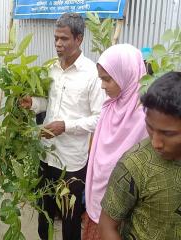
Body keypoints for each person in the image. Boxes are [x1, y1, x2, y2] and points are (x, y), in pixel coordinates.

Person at [20, 13, 105, 240]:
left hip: (72, 161)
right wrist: (34, 104)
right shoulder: (51, 69)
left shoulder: (92, 74)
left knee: (69, 218)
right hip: (46, 154)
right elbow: (49, 103)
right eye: (56, 38)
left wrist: (65, 126)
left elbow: (99, 117)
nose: (58, 43)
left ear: (79, 39)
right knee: (44, 212)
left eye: (64, 39)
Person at [99, 71, 181, 240]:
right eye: (150, 128)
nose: (156, 143)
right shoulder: (134, 165)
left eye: (168, 134)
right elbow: (107, 226)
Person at [83, 44, 148, 240]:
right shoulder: (109, 107)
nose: (103, 86)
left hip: (125, 207)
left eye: (107, 79)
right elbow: (97, 155)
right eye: (101, 79)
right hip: (98, 198)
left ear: (126, 74)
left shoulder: (145, 116)